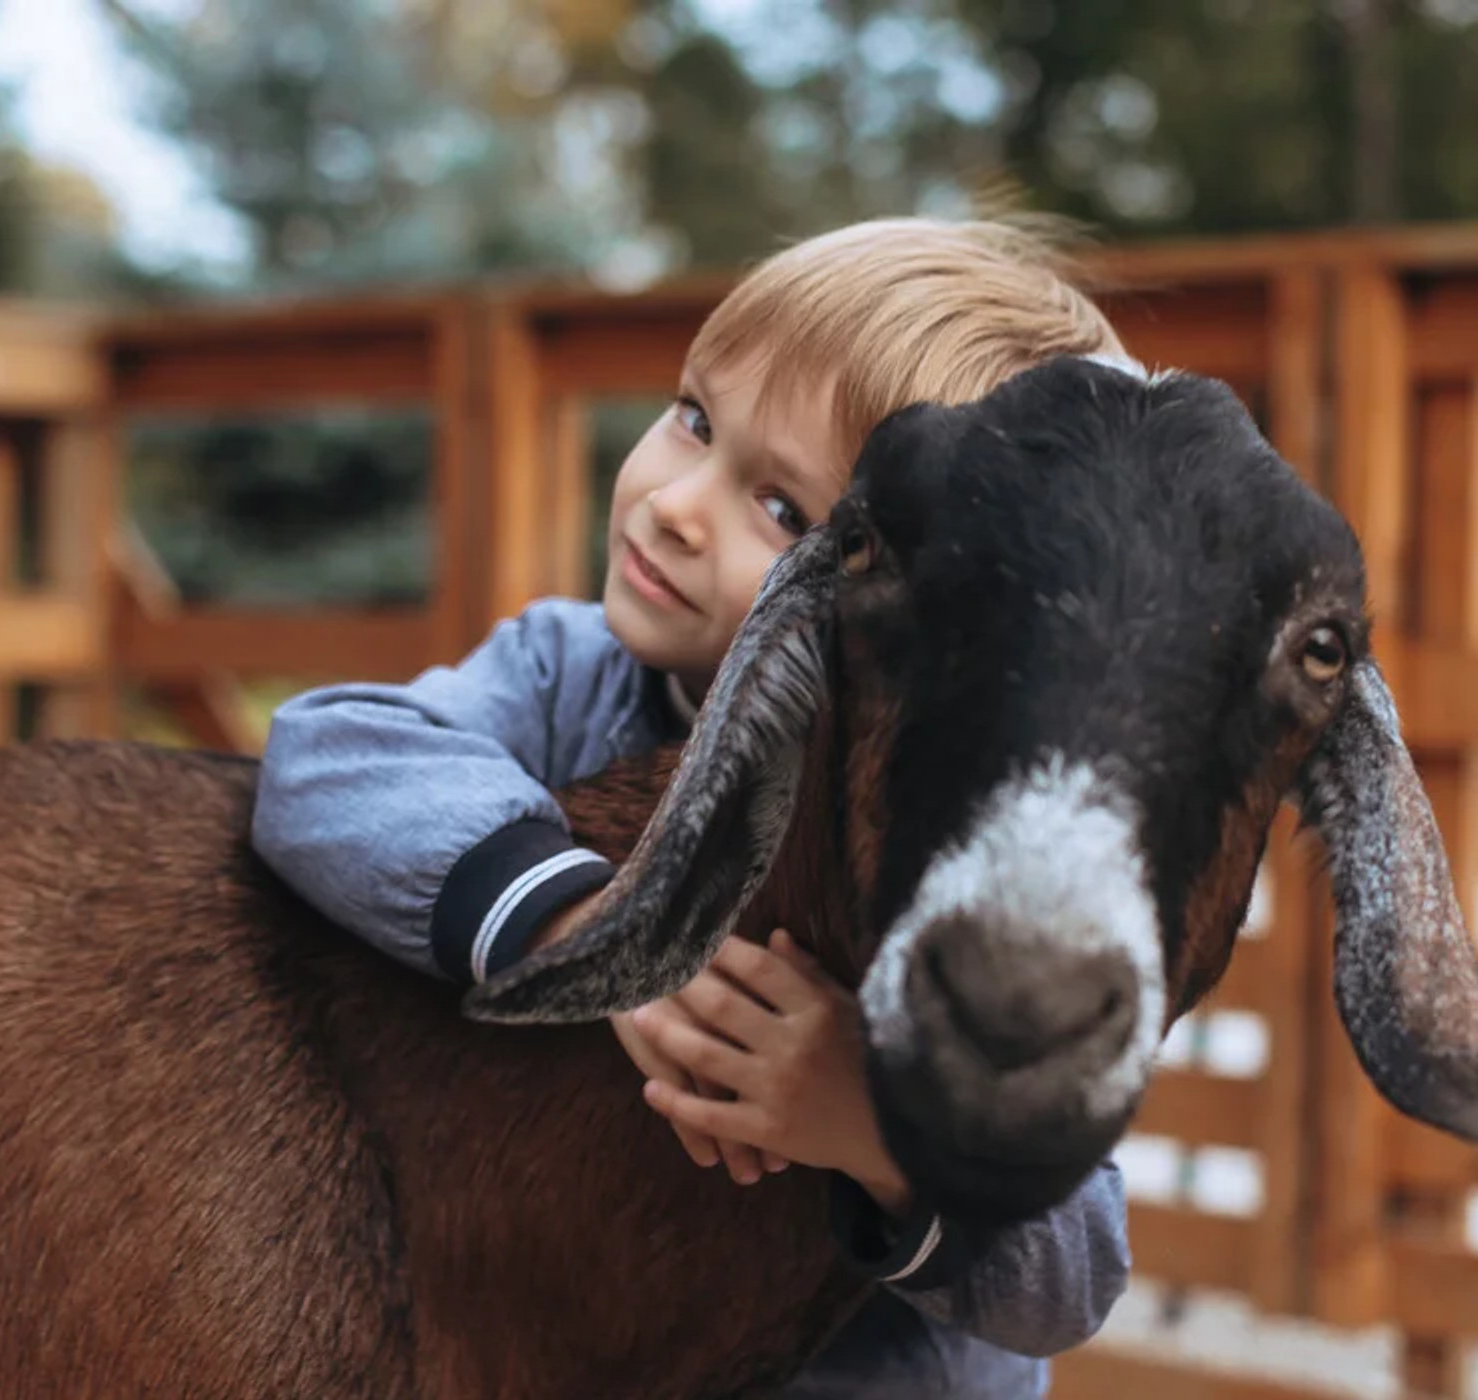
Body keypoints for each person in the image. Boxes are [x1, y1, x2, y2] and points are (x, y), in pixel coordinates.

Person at [251, 216, 1137, 1399]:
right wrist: (592, 930)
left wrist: (872, 1126)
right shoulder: (571, 676)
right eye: (694, 418)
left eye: (782, 510)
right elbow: (323, 756)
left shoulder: (962, 864)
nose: (674, 503)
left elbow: (1070, 1277)